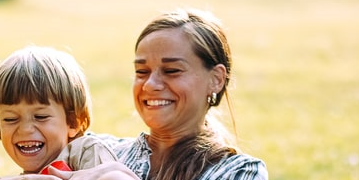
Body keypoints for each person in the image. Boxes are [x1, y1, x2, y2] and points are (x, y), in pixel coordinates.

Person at [45, 9, 268, 180]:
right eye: (141, 72)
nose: (150, 84)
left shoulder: (239, 171)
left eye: (172, 71)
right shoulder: (94, 151)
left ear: (216, 79)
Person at [0, 46, 118, 180]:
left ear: (73, 121)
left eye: (40, 117)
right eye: (10, 119)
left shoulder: (86, 150)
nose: (25, 129)